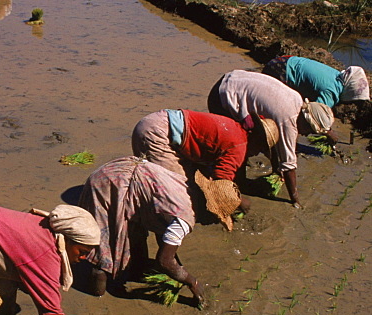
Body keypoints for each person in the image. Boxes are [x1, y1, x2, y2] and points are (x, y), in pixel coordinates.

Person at [79, 156, 212, 302]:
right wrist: (192, 282)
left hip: (121, 173)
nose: (212, 223)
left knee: (136, 235)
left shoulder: (188, 188)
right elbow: (164, 261)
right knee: (104, 250)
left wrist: (178, 268)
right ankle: (97, 298)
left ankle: (136, 270)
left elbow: (164, 237)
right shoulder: (184, 219)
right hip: (109, 185)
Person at [208, 69, 334, 208]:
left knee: (247, 141)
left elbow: (274, 141)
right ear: (305, 120)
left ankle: (236, 176)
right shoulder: (288, 121)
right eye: (310, 130)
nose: (306, 135)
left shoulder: (296, 99)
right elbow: (289, 166)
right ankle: (233, 182)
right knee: (238, 143)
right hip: (223, 96)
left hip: (232, 78)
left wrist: (275, 168)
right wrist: (295, 199)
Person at [132, 109, 278, 197]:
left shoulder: (233, 128)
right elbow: (221, 181)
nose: (258, 152)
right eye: (261, 147)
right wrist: (239, 201)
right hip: (158, 133)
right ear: (255, 138)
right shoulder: (239, 145)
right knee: (177, 191)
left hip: (156, 121)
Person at [262, 55, 370, 109]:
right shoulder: (332, 92)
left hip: (285, 60)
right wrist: (328, 133)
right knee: (276, 106)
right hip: (280, 70)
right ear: (349, 92)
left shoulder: (336, 75)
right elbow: (315, 113)